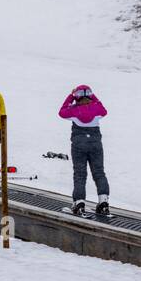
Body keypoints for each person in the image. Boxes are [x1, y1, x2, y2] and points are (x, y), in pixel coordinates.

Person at [59, 84, 109, 217]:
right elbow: (104, 110)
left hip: (79, 144)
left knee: (80, 174)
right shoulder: (97, 108)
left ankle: (79, 203)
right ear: (90, 95)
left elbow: (61, 111)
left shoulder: (74, 110)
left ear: (77, 96)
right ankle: (103, 203)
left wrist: (70, 96)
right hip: (95, 144)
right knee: (99, 172)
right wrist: (92, 96)